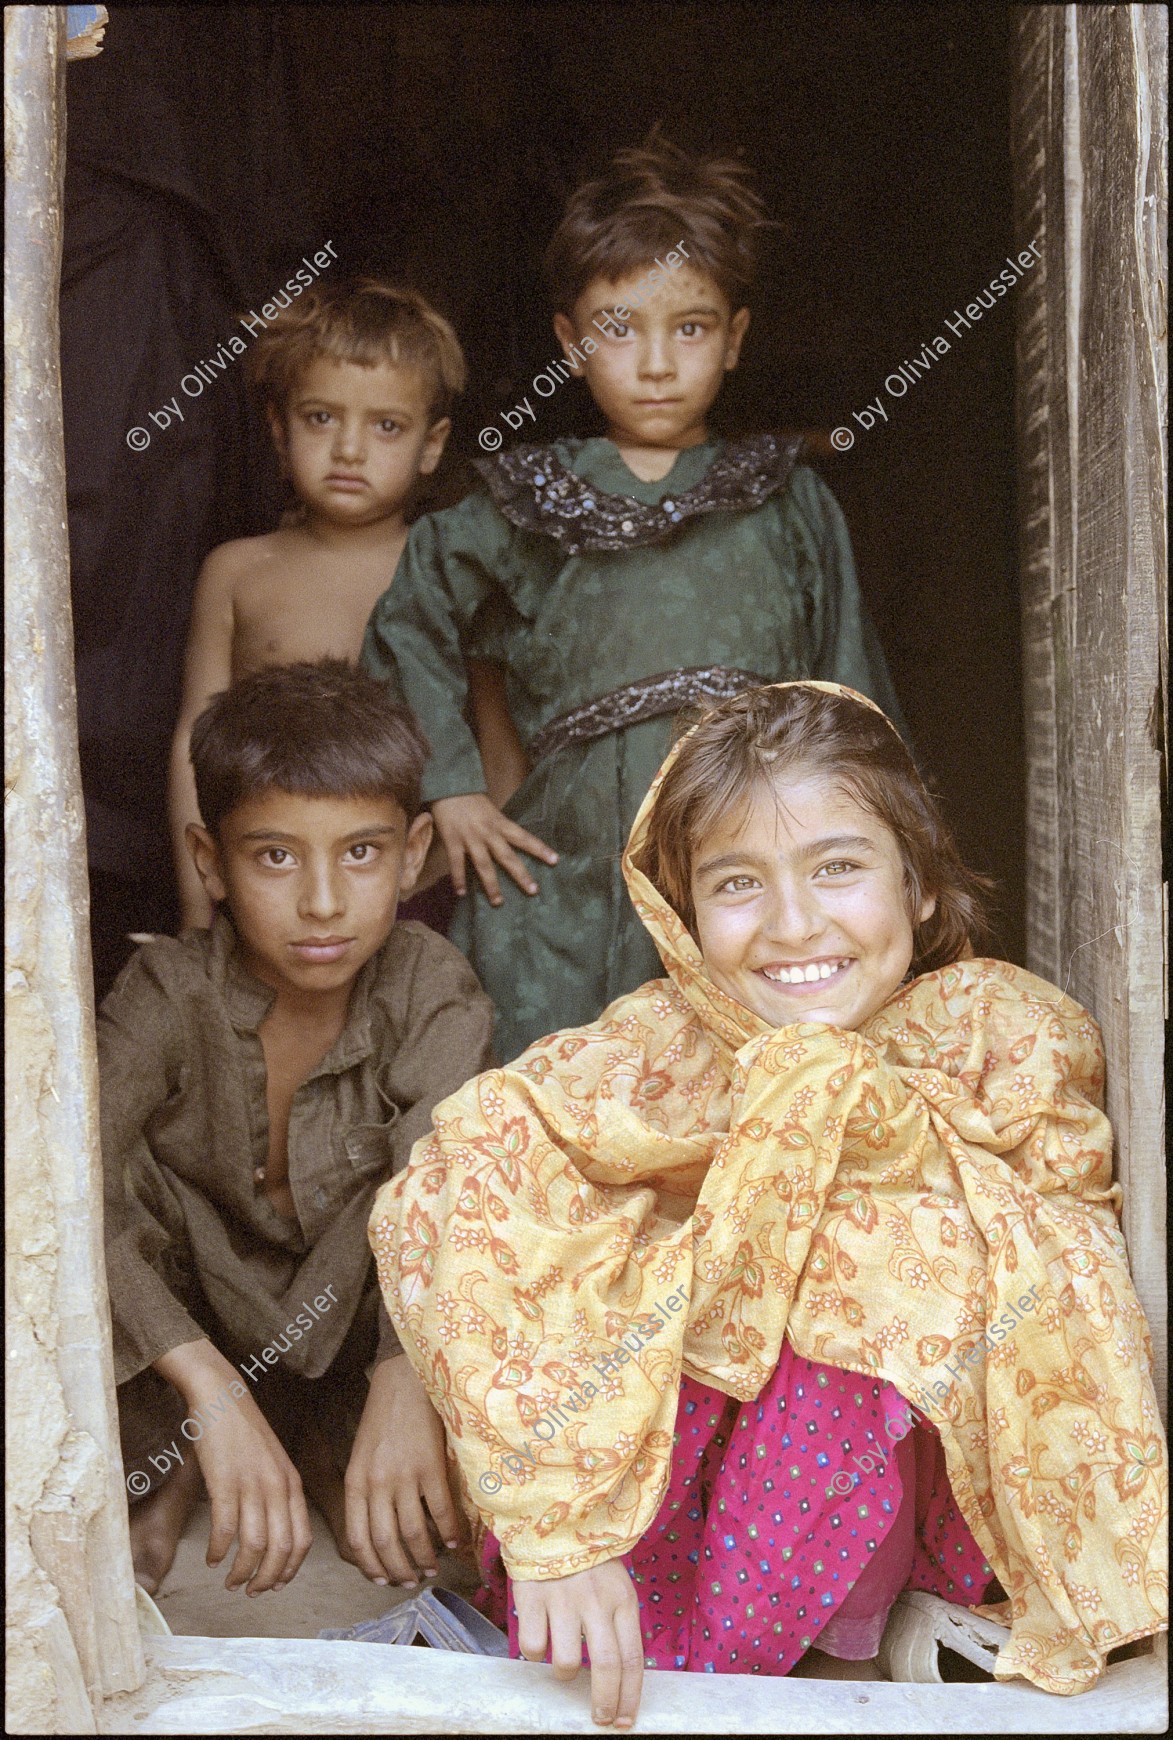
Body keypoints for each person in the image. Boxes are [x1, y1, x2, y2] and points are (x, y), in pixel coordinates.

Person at [370, 681, 1168, 1726]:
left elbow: (1071, 1266)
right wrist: (555, 1521)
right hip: (658, 1544)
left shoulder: (998, 1031)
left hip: (904, 1513)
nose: (794, 926)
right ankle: (658, 1637)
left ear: (920, 884)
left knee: (907, 1240)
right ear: (683, 911)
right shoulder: (660, 1045)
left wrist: (860, 1147)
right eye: (738, 882)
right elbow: (450, 1184)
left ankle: (857, 1638)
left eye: (838, 868)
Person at [361, 136, 906, 1062]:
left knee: (757, 1048)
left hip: (755, 827)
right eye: (619, 328)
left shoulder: (784, 494)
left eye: (688, 328)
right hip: (571, 853)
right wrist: (451, 789)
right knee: (558, 1055)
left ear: (733, 339)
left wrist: (876, 837)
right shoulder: (523, 500)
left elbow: (846, 676)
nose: (655, 363)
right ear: (570, 343)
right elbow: (409, 621)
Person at [106, 660, 495, 1598]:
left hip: (351, 1326)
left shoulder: (430, 985)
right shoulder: (166, 994)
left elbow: (440, 1193)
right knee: (96, 1193)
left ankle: (324, 1440)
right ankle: (202, 1440)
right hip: (198, 1332)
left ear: (412, 854)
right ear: (211, 863)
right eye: (275, 856)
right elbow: (60, 1198)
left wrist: (407, 1376)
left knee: (449, 1181)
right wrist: (214, 1389)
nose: (322, 901)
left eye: (359, 853)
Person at [169, 278, 527, 933]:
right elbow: (194, 740)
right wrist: (198, 901)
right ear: (279, 431)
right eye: (320, 417)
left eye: (386, 425)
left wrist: (486, 902)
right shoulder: (239, 572)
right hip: (269, 893)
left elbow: (495, 743)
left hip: (423, 895)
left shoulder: (457, 571)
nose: (349, 449)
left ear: (431, 443)